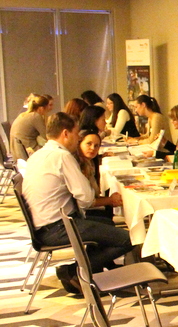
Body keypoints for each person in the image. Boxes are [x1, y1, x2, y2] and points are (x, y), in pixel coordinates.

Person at [22, 112, 133, 294]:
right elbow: (86, 198)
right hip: (57, 226)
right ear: (65, 133)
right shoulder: (62, 156)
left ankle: (91, 273)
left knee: (106, 224)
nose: (77, 138)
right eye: (76, 134)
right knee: (128, 238)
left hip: (42, 224)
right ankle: (73, 271)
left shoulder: (38, 155)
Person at [76, 107, 121, 217]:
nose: (92, 148)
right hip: (83, 212)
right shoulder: (80, 164)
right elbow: (86, 201)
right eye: (103, 119)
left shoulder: (88, 160)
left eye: (96, 146)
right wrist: (109, 200)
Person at [9, 94, 49, 158]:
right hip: (29, 151)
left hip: (18, 152)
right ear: (41, 108)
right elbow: (46, 136)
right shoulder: (35, 116)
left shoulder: (23, 115)